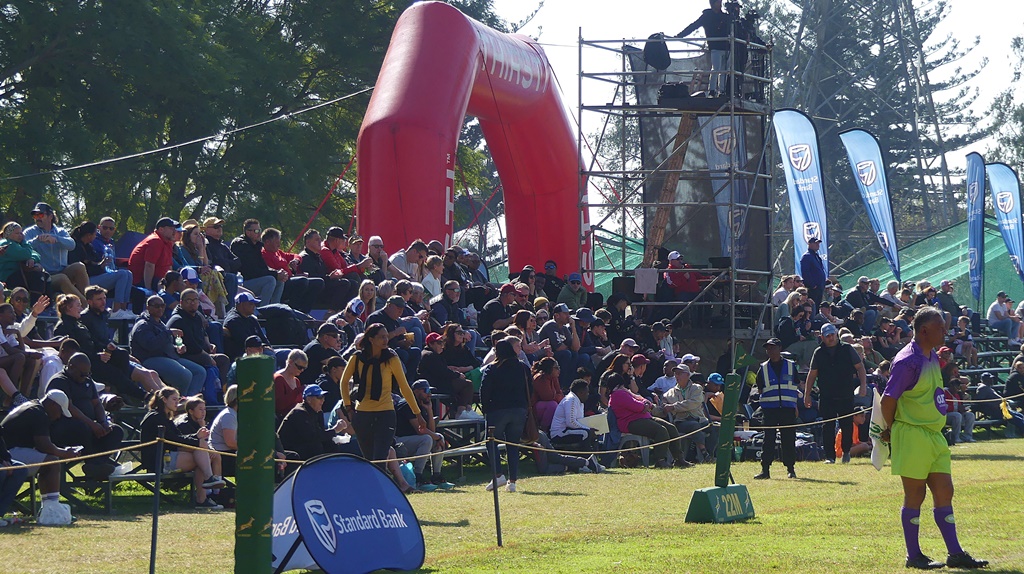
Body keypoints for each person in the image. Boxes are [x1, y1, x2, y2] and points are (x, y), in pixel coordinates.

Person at [880, 307, 988, 569]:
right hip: (913, 433)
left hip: (934, 435)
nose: (945, 331)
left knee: (945, 491)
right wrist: (892, 429)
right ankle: (914, 555)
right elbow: (888, 399)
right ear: (925, 330)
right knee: (915, 495)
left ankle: (955, 553)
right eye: (941, 327)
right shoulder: (908, 360)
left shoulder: (930, 356)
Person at [340, 323, 425, 470]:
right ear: (371, 339)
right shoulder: (357, 357)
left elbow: (404, 387)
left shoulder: (391, 357)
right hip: (362, 414)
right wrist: (349, 407)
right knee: (369, 460)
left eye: (387, 336)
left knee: (380, 459)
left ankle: (382, 490)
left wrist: (418, 414)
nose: (386, 340)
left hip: (385, 413)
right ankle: (372, 491)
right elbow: (344, 382)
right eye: (381, 337)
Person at [0, 390, 80, 525]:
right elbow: (45, 446)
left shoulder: (33, 407)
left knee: (48, 463)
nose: (59, 416)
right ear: (53, 405)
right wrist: (65, 453)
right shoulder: (39, 414)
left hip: (8, 451)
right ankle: (52, 508)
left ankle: (48, 508)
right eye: (60, 411)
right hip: (7, 452)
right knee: (52, 462)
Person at [139, 387, 226, 509]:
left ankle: (206, 490)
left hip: (168, 455)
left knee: (202, 455)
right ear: (164, 399)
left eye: (178, 399)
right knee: (200, 456)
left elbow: (177, 437)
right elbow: (173, 441)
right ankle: (206, 489)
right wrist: (197, 441)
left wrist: (197, 437)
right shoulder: (156, 417)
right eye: (174, 399)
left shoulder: (165, 417)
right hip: (158, 461)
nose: (177, 403)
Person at [46, 353, 126, 476]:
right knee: (82, 427)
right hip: (65, 428)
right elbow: (69, 407)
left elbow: (97, 403)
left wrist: (103, 422)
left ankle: (96, 464)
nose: (85, 377)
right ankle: (96, 464)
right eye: (82, 374)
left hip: (89, 426)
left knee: (115, 431)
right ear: (71, 367)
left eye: (88, 374)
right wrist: (92, 425)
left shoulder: (87, 381)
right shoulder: (60, 381)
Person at [803, 322, 867, 464]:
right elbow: (812, 374)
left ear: (836, 334)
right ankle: (830, 457)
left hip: (845, 393)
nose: (830, 338)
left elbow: (860, 367)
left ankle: (846, 452)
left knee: (846, 425)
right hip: (826, 395)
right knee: (828, 426)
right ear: (822, 337)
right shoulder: (818, 352)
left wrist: (863, 385)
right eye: (827, 336)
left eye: (832, 335)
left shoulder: (847, 349)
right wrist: (806, 394)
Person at [607, 364, 686, 468]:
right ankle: (660, 460)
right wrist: (644, 405)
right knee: (660, 431)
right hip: (630, 422)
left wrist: (645, 404)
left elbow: (640, 398)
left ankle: (679, 459)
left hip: (643, 417)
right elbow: (636, 406)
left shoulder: (624, 392)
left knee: (671, 428)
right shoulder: (618, 395)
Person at [479, 339, 531, 492]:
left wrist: (486, 409)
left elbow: (484, 390)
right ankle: (512, 481)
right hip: (519, 409)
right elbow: (530, 388)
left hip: (497, 409)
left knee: (491, 442)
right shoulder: (523, 367)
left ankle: (497, 474)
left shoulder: (492, 368)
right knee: (513, 445)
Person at [129, 295, 207, 395]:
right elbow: (151, 346)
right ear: (148, 307)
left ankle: (188, 401)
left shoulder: (160, 323)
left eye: (162, 305)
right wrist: (168, 333)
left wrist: (177, 348)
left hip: (167, 356)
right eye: (156, 306)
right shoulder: (142, 325)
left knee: (200, 372)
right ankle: (178, 402)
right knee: (185, 375)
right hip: (149, 359)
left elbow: (165, 345)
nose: (160, 308)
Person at [393, 380, 453, 491]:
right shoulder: (408, 404)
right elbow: (420, 430)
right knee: (427, 438)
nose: (429, 394)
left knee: (436, 437)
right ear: (415, 392)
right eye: (426, 390)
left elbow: (431, 430)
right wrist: (436, 437)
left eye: (429, 390)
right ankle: (418, 477)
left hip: (414, 441)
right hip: (399, 442)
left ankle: (436, 476)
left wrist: (429, 410)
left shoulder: (422, 404)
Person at [68, 221, 136, 319]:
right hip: (85, 281)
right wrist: (100, 266)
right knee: (122, 274)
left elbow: (96, 264)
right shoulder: (76, 247)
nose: (95, 237)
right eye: (95, 234)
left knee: (128, 273)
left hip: (95, 276)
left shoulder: (89, 247)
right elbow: (86, 269)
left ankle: (123, 309)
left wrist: (103, 263)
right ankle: (116, 311)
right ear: (88, 235)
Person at [23, 202, 90, 300]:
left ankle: (89, 298)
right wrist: (37, 240)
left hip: (62, 270)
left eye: (40, 215)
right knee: (62, 278)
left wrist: (56, 238)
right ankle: (86, 307)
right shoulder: (30, 232)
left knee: (79, 266)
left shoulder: (61, 231)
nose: (37, 218)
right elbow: (24, 247)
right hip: (44, 275)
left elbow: (72, 245)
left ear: (50, 216)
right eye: (35, 215)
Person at [166, 288, 230, 385]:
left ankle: (222, 390)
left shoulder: (196, 316)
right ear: (181, 302)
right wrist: (208, 357)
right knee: (211, 361)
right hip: (185, 355)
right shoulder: (178, 319)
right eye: (189, 300)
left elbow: (203, 333)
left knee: (223, 359)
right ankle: (212, 392)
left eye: (195, 300)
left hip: (199, 352)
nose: (192, 303)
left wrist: (209, 345)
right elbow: (192, 345)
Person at [260, 228, 323, 313]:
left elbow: (296, 256)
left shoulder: (278, 253)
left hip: (290, 279)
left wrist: (296, 261)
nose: (279, 244)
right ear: (267, 242)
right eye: (276, 241)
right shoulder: (264, 255)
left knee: (318, 282)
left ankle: (305, 312)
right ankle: (293, 310)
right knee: (302, 281)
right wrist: (295, 276)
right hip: (281, 283)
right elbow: (274, 273)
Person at [676, 0, 732, 97]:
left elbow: (735, 28)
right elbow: (693, 26)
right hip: (715, 47)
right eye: (718, 2)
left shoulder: (726, 17)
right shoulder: (707, 16)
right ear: (713, 4)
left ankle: (722, 91)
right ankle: (712, 90)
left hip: (726, 47)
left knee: (724, 70)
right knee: (716, 69)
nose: (720, 4)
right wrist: (680, 35)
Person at [418, 331, 478, 420]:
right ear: (431, 344)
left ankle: (467, 410)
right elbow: (442, 371)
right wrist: (457, 375)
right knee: (467, 384)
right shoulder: (429, 355)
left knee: (464, 384)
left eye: (442, 343)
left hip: (438, 382)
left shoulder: (433, 354)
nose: (442, 346)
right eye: (438, 343)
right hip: (435, 384)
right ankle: (461, 411)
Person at [657, 362, 709, 463]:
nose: (677, 376)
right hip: (681, 421)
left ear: (687, 375)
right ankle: (704, 453)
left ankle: (712, 454)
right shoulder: (671, 391)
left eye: (680, 373)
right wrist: (664, 404)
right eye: (676, 373)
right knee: (694, 426)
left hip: (699, 418)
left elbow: (692, 403)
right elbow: (663, 400)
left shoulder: (696, 388)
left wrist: (674, 407)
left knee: (715, 427)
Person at [230, 219, 284, 304]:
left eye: (260, 230)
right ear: (248, 232)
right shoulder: (241, 245)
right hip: (242, 283)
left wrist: (277, 273)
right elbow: (252, 271)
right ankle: (263, 309)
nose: (259, 233)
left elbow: (263, 267)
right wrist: (275, 274)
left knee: (280, 280)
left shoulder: (257, 245)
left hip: (254, 280)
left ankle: (275, 308)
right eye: (256, 231)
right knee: (270, 280)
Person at [128, 217, 180, 292]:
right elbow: (149, 265)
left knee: (180, 283)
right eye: (171, 229)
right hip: (143, 281)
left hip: (159, 280)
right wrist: (148, 289)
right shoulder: (155, 241)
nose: (174, 231)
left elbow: (169, 266)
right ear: (161, 229)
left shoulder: (167, 242)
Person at [0, 222, 50, 299]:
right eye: (17, 233)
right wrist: (24, 241)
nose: (21, 235)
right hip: (8, 276)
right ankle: (35, 302)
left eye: (21, 233)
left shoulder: (17, 244)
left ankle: (47, 301)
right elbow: (25, 254)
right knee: (36, 276)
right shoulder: (7, 243)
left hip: (19, 273)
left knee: (45, 276)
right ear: (8, 234)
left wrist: (32, 259)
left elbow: (36, 254)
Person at [549, 379, 599, 451]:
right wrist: (588, 429)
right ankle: (587, 459)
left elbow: (579, 421)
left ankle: (592, 457)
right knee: (586, 433)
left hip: (569, 430)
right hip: (560, 433)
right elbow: (570, 422)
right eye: (587, 392)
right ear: (580, 393)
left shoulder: (580, 401)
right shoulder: (571, 400)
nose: (588, 394)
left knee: (589, 433)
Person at [221, 292, 270, 360]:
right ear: (241, 305)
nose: (254, 306)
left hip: (258, 350)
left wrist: (267, 346)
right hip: (243, 356)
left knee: (284, 353)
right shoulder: (233, 320)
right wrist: (263, 346)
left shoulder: (251, 319)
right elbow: (246, 342)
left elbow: (263, 337)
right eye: (251, 304)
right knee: (269, 354)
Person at [209, 384, 239, 476]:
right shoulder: (229, 416)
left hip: (227, 454)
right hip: (223, 456)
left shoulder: (232, 414)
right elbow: (230, 443)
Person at [530, 357, 564, 431]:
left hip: (546, 404)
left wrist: (558, 396)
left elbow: (559, 392)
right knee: (552, 405)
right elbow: (548, 397)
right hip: (534, 409)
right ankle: (543, 429)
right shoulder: (540, 378)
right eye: (556, 368)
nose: (559, 370)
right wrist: (558, 397)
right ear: (549, 368)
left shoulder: (553, 377)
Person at [274, 350, 308, 419]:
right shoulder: (278, 378)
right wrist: (298, 391)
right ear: (290, 362)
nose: (301, 370)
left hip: (295, 418)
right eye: (299, 367)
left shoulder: (296, 381)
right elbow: (279, 405)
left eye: (304, 368)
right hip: (282, 419)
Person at [799, 237, 826, 307]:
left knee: (817, 306)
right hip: (813, 289)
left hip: (819, 287)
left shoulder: (816, 256)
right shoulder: (806, 256)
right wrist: (812, 285)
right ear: (809, 244)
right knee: (812, 306)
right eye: (815, 243)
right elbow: (805, 272)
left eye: (818, 243)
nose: (818, 245)